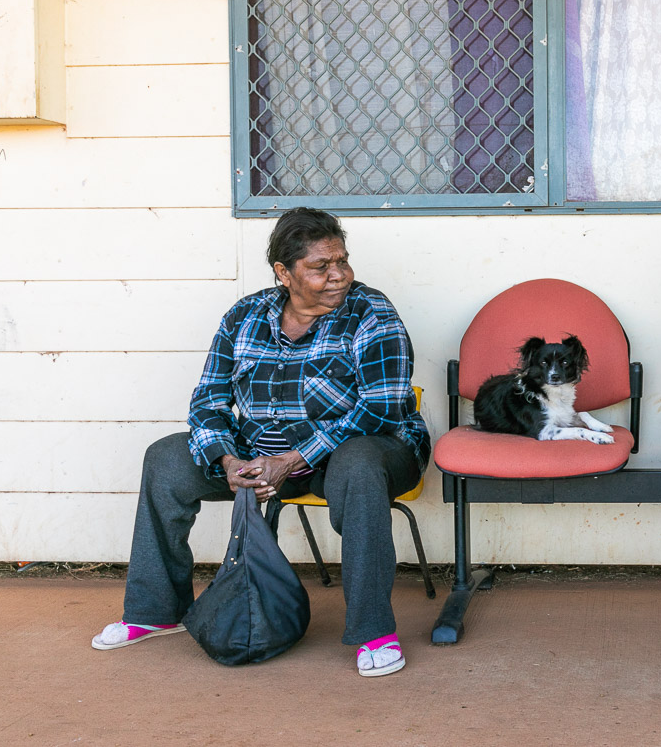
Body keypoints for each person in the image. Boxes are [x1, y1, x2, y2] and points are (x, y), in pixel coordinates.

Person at [92, 207, 430, 677]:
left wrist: (292, 459)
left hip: (368, 449)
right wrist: (228, 459)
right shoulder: (244, 316)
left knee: (358, 463)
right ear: (283, 273)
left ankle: (373, 628)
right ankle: (155, 611)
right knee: (166, 458)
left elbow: (379, 409)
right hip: (261, 457)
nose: (339, 276)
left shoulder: (371, 313)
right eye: (320, 267)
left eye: (343, 261)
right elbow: (208, 400)